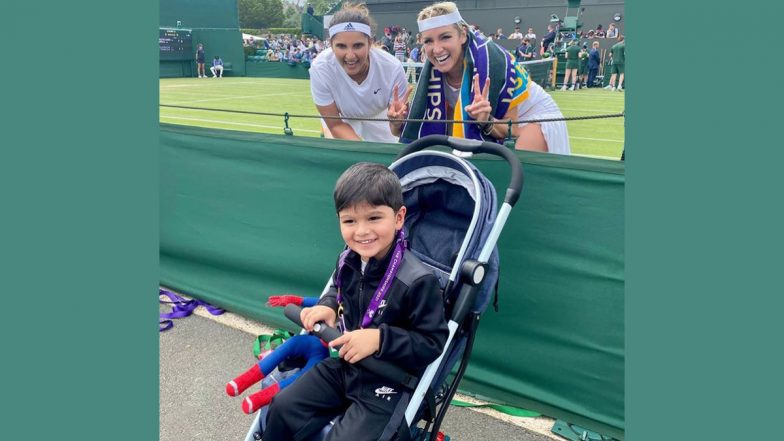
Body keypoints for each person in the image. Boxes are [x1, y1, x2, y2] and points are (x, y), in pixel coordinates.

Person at [262, 162, 449, 441]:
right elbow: (337, 290)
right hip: (344, 364)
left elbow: (432, 343)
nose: (361, 231)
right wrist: (326, 305)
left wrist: (379, 339)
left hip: (387, 380)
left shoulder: (418, 281)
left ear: (399, 218)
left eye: (374, 218)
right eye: (350, 221)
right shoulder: (347, 260)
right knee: (283, 405)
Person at [391, 1, 570, 154]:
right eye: (428, 41)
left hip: (531, 118)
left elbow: (512, 129)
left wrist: (486, 120)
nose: (437, 49)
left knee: (511, 176)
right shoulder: (432, 75)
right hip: (497, 124)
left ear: (462, 35)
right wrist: (397, 124)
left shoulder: (495, 63)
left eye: (445, 37)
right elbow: (442, 129)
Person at [308, 3, 409, 142]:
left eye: (358, 45)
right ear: (331, 44)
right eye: (341, 46)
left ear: (370, 43)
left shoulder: (393, 68)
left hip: (383, 120)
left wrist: (396, 123)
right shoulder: (320, 68)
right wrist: (361, 153)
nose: (350, 55)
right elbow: (335, 124)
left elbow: (398, 131)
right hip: (341, 121)